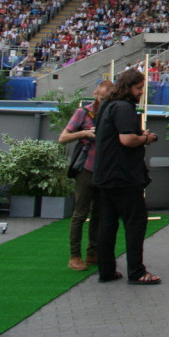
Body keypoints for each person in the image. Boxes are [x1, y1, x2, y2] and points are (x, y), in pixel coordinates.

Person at [93, 69, 161, 285]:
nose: (141, 92)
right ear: (128, 87)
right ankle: (137, 272)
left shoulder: (107, 106)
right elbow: (127, 140)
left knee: (107, 224)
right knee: (135, 223)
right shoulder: (123, 108)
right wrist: (146, 138)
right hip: (124, 177)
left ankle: (106, 270)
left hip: (104, 175)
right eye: (138, 88)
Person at [59, 80, 113, 271]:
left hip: (104, 171)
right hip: (86, 170)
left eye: (108, 98)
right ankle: (74, 255)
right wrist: (84, 133)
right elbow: (63, 138)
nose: (103, 100)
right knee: (80, 213)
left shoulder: (110, 114)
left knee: (98, 214)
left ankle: (93, 252)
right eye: (101, 96)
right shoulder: (83, 112)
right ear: (95, 94)